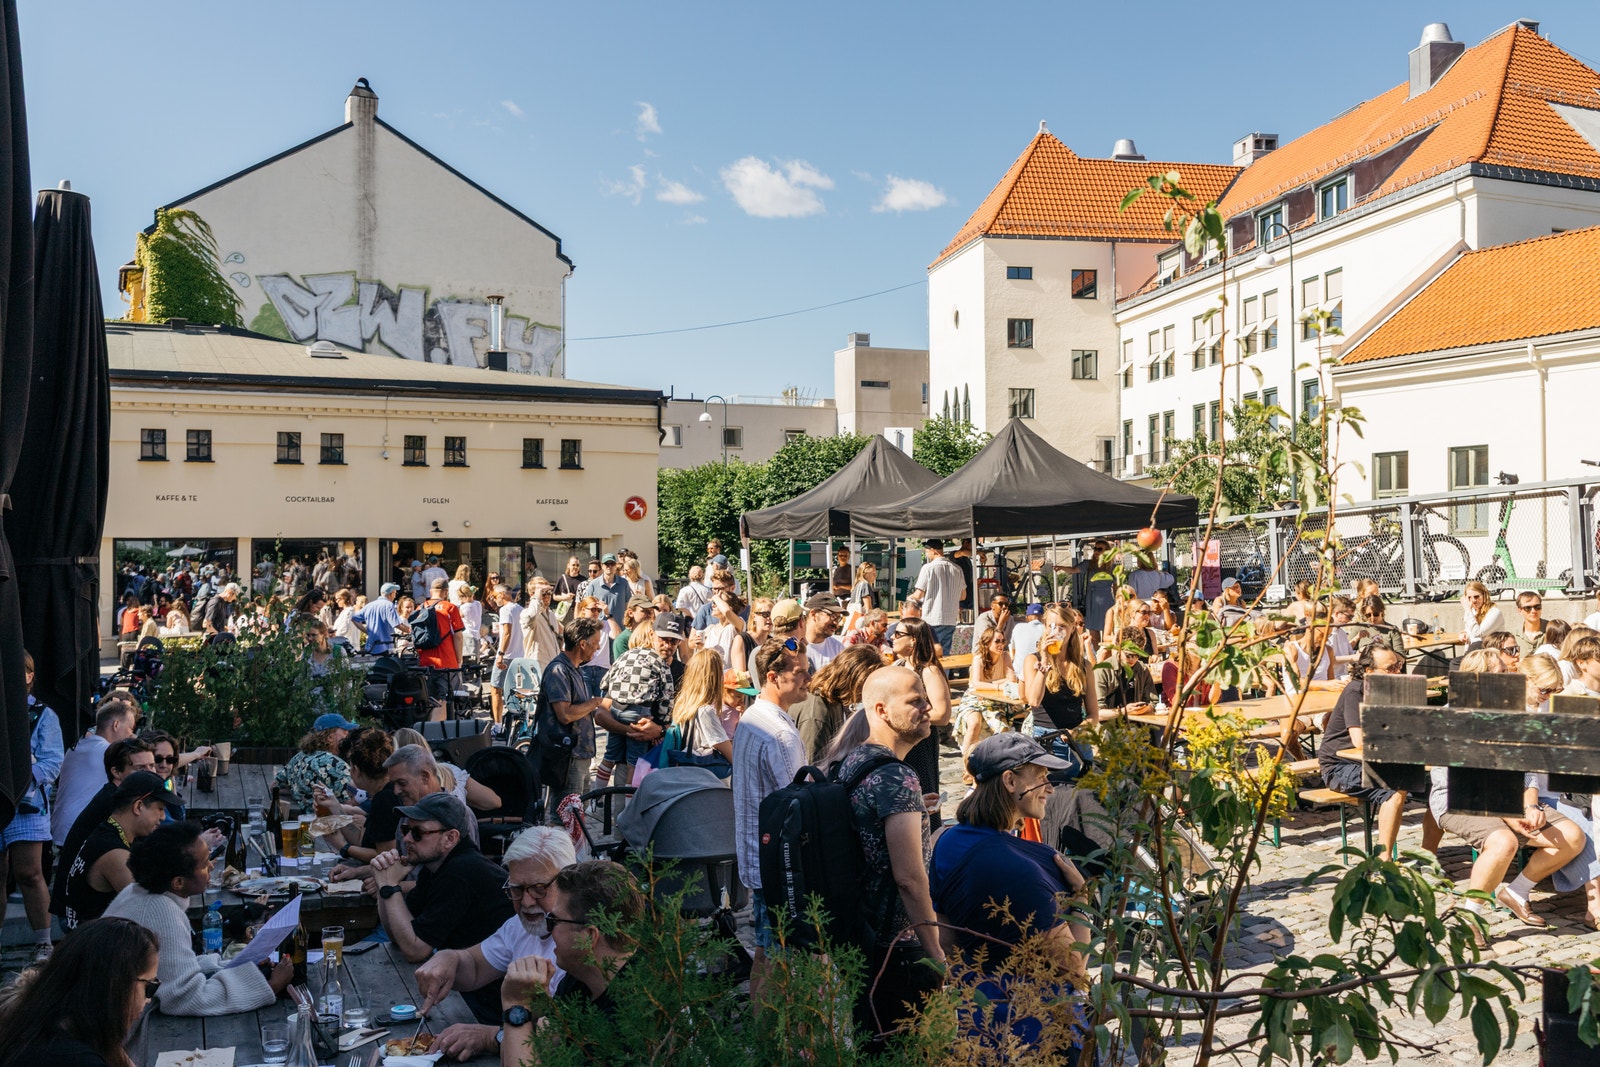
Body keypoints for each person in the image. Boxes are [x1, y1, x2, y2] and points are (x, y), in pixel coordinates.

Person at [930, 733, 1087, 1052]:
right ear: (1010, 781)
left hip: (978, 1025)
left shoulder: (946, 842)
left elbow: (946, 940)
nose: (1050, 788)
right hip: (1037, 1035)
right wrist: (1081, 899)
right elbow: (1075, 968)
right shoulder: (1020, 869)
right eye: (1042, 778)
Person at [1428, 649, 1584, 936]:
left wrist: (1531, 806)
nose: (1510, 677)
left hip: (1509, 798)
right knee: (1503, 842)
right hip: (1458, 798)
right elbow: (1471, 780)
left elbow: (1527, 769)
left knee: (1573, 837)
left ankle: (1517, 892)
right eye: (1501, 673)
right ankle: (1470, 915)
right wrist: (1513, 816)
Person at [835, 665, 945, 1042]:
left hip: (863, 941)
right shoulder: (896, 776)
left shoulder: (854, 760)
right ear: (881, 710)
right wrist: (936, 954)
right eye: (915, 701)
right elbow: (910, 879)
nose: (928, 706)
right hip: (898, 952)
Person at [416, 827, 578, 1057]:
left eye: (539, 889)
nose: (526, 901)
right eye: (516, 889)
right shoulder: (519, 925)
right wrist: (448, 958)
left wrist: (490, 1036)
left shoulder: (580, 940)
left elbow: (562, 1039)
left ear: (568, 882)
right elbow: (474, 967)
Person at [105, 822, 290, 1013]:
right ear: (178, 882)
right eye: (204, 864)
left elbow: (173, 967)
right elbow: (185, 997)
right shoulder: (160, 911)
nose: (211, 866)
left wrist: (242, 965)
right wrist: (269, 986)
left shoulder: (138, 892)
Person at [498, 860, 648, 1065]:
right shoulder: (582, 980)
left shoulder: (633, 1020)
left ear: (589, 935)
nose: (548, 930)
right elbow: (530, 1051)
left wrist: (516, 1008)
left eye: (554, 920)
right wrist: (533, 1012)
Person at [733, 636, 810, 1001]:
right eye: (799, 673)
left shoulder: (753, 715)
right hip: (776, 863)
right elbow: (797, 802)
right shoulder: (778, 732)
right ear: (773, 677)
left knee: (766, 953)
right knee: (778, 961)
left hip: (758, 855)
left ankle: (763, 1031)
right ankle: (772, 1038)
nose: (808, 678)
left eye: (808, 671)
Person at [371, 792, 514, 972]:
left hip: (488, 990)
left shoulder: (460, 872)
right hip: (466, 975)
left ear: (450, 838)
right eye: (406, 830)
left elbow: (415, 950)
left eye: (417, 833)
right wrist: (383, 884)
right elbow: (398, 935)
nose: (406, 839)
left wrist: (390, 886)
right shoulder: (435, 866)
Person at [0, 915, 161, 1067]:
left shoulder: (42, 1019)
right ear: (115, 985)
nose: (148, 1000)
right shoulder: (73, 1057)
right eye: (149, 986)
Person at [56, 771, 177, 932]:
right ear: (138, 806)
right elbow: (152, 909)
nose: (162, 817)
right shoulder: (115, 854)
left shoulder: (108, 831)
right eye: (160, 809)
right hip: (94, 949)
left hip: (89, 939)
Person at [1318, 646, 1409, 855]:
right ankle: (1384, 859)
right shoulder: (1355, 691)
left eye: (1399, 665)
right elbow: (1359, 741)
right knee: (1394, 790)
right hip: (1339, 767)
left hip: (1370, 762)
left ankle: (1428, 855)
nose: (1397, 672)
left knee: (1436, 781)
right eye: (1391, 668)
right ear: (1369, 671)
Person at [2, 653, 62, 962]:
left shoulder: (43, 714)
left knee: (29, 872)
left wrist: (21, 779)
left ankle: (43, 943)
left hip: (28, 803)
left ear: (28, 675)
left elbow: (53, 762)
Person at [536, 618, 613, 820]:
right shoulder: (559, 670)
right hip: (567, 756)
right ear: (582, 643)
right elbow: (565, 714)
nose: (597, 648)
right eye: (595, 643)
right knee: (564, 818)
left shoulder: (575, 669)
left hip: (581, 754)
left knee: (577, 816)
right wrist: (596, 702)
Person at [595, 613, 681, 785]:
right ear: (652, 635)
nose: (667, 645)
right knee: (634, 765)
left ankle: (596, 801)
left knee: (608, 757)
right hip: (639, 718)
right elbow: (667, 698)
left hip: (619, 710)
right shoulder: (660, 664)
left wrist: (661, 730)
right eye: (663, 638)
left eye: (673, 641)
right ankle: (629, 808)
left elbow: (605, 682)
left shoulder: (627, 657)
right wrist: (652, 726)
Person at [51, 693, 138, 848]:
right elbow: (144, 770)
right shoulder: (105, 751)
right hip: (79, 832)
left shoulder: (80, 745)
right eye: (130, 728)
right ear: (116, 725)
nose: (132, 734)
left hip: (63, 829)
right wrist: (196, 754)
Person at [889, 618, 952, 821]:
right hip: (900, 742)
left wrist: (906, 717)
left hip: (920, 743)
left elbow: (942, 714)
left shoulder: (929, 670)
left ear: (914, 640)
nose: (892, 637)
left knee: (923, 790)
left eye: (898, 634)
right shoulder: (898, 666)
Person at [1022, 605, 1099, 765]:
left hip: (1077, 737)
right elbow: (1033, 701)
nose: (1056, 631)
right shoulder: (1033, 660)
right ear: (1045, 629)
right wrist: (1044, 661)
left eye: (1062, 626)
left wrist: (1076, 732)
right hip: (1046, 738)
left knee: (1084, 786)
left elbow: (1093, 715)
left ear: (1072, 629)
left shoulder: (1083, 666)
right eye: (1051, 626)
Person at [791, 643, 885, 763]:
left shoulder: (835, 701)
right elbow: (812, 767)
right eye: (868, 683)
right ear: (854, 679)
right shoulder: (817, 711)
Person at [665, 649, 736, 766]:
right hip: (706, 779)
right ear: (715, 677)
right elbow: (730, 754)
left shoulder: (683, 704)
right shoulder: (706, 711)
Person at [273, 714, 357, 813]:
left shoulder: (300, 756)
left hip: (306, 820)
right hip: (330, 824)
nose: (347, 735)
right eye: (344, 732)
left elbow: (274, 786)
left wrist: (298, 792)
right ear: (330, 737)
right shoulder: (336, 765)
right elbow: (352, 802)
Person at [418, 577, 466, 717]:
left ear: (431, 591)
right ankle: (437, 732)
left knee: (429, 699)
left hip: (425, 661)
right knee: (443, 700)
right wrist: (459, 659)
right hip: (446, 661)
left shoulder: (420, 607)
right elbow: (458, 636)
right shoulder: (450, 608)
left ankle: (425, 728)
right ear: (446, 592)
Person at [910, 538, 964, 653]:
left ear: (933, 550)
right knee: (944, 655)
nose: (926, 554)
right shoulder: (957, 569)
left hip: (932, 618)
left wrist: (909, 599)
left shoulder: (928, 568)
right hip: (951, 619)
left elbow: (918, 594)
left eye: (926, 551)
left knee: (929, 653)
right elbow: (963, 596)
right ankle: (945, 672)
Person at [492, 583, 526, 724]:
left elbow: (507, 632)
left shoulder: (505, 610)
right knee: (519, 690)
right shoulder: (521, 609)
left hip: (507, 656)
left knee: (496, 689)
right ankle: (521, 722)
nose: (494, 599)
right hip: (520, 655)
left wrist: (500, 653)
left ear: (502, 594)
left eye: (494, 596)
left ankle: (498, 725)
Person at [351, 582, 410, 655]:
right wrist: (410, 630)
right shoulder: (389, 605)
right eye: (395, 593)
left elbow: (354, 618)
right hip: (385, 646)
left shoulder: (370, 605)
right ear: (391, 594)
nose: (395, 596)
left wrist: (367, 631)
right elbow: (397, 624)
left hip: (371, 646)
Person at [519, 578, 563, 669]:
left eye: (549, 593)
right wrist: (537, 596)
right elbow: (531, 617)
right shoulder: (526, 613)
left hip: (554, 664)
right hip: (537, 665)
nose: (547, 596)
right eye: (543, 593)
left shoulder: (551, 615)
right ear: (532, 595)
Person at [801, 592, 845, 671]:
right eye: (833, 616)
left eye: (838, 618)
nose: (836, 623)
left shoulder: (838, 650)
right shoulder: (794, 646)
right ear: (813, 614)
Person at [586, 554, 631, 627]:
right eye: (607, 564)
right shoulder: (593, 584)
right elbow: (587, 606)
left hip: (619, 628)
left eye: (612, 564)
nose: (609, 566)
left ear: (615, 565)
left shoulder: (624, 583)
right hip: (599, 629)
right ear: (602, 566)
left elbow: (627, 605)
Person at [1458, 580, 1505, 649]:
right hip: (1474, 652)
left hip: (1490, 653)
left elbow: (1478, 633)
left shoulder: (1494, 612)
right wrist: (1463, 633)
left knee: (1454, 660)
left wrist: (1468, 610)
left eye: (1476, 597)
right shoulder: (1472, 611)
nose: (1473, 600)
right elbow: (1469, 629)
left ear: (1484, 596)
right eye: (1469, 597)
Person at [1008, 602, 1046, 666]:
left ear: (1027, 617)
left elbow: (1012, 651)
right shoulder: (1047, 629)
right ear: (1043, 617)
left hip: (1018, 672)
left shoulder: (1018, 627)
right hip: (1040, 672)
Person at [1511, 591, 1547, 657]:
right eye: (1528, 608)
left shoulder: (1552, 630)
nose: (1533, 611)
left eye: (1537, 607)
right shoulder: (1513, 636)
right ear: (1520, 611)